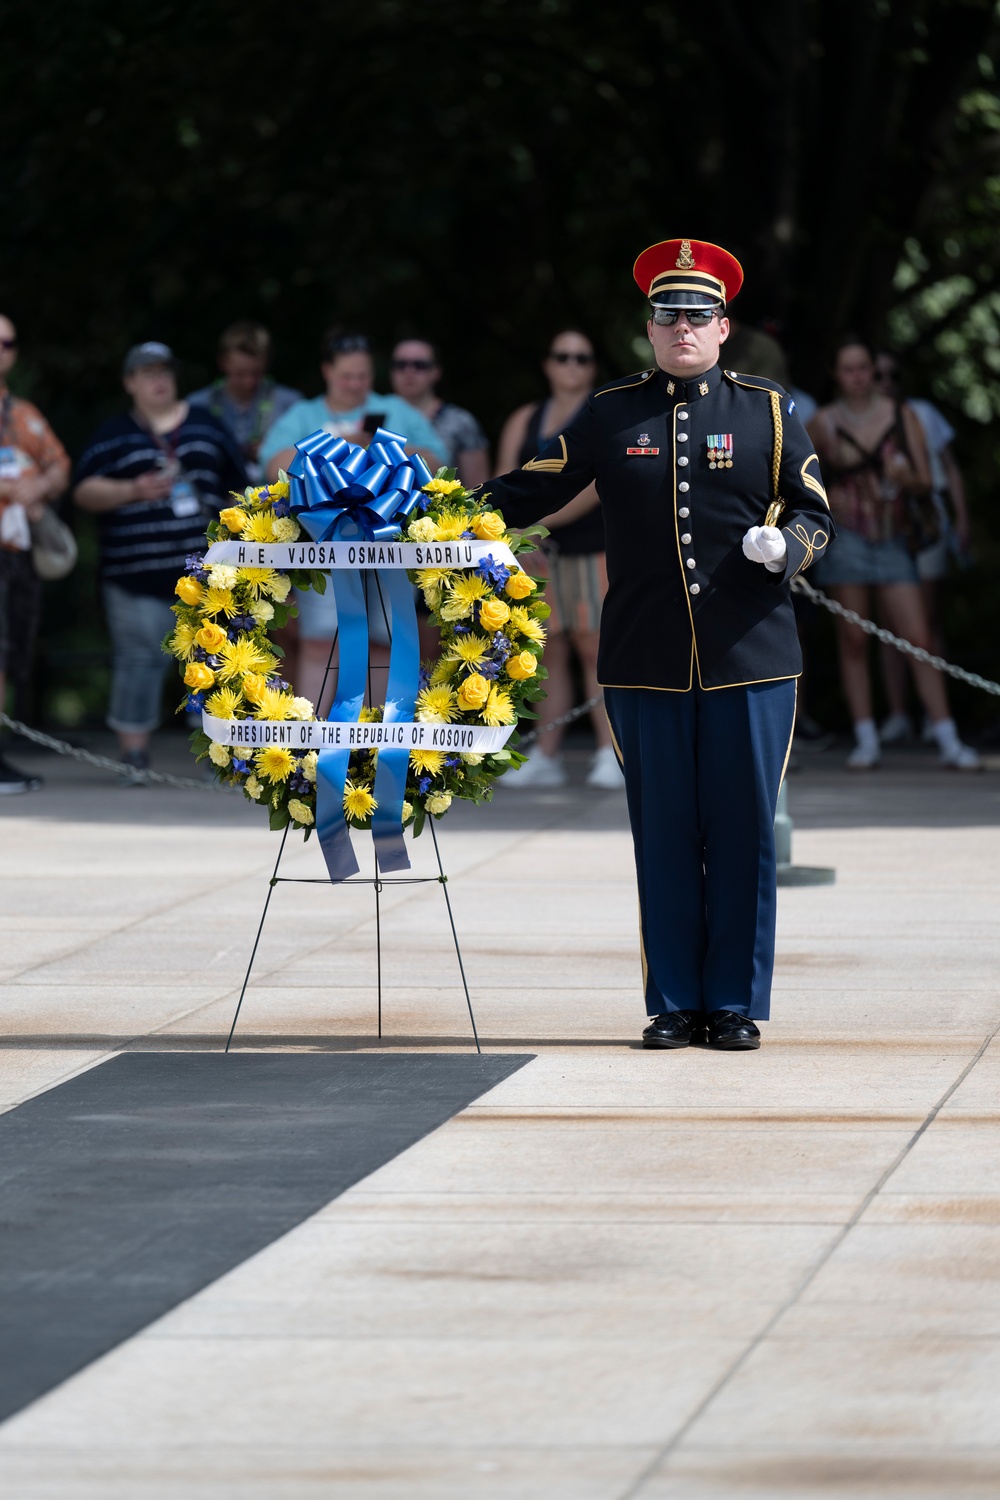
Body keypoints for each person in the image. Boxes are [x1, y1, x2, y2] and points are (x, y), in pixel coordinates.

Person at [484, 237, 834, 1052]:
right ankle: (675, 999)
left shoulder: (768, 410)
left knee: (744, 828)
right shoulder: (613, 411)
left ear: (723, 328)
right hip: (646, 659)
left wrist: (790, 548)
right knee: (664, 829)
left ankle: (736, 1002)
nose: (684, 327)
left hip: (752, 658)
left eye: (699, 315)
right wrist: (434, 512)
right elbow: (535, 484)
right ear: (649, 327)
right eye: (669, 314)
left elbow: (815, 509)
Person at [74, 342, 247, 777]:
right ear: (130, 382)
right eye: (147, 372)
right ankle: (134, 755)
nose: (159, 380)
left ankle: (217, 754)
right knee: (139, 659)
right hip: (133, 576)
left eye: (165, 371)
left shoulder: (208, 426)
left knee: (212, 661)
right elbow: (82, 491)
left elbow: (241, 488)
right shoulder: (112, 434)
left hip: (207, 576)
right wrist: (132, 490)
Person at [806, 339, 978, 770]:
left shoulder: (903, 416)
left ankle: (947, 737)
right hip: (846, 539)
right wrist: (828, 503)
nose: (859, 376)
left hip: (894, 537)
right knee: (853, 639)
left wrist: (905, 476)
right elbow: (801, 480)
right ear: (835, 374)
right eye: (849, 369)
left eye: (864, 367)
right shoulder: (822, 423)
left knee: (918, 637)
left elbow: (925, 479)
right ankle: (866, 738)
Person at [260, 331, 448, 714]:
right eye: (347, 376)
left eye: (362, 376)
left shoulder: (395, 410)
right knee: (319, 642)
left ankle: (376, 744)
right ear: (327, 371)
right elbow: (271, 464)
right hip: (325, 546)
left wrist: (388, 448)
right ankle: (311, 745)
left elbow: (437, 461)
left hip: (389, 543)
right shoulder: (304, 415)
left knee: (383, 643)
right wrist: (337, 443)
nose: (355, 384)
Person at [494, 329, 622, 791]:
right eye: (561, 355)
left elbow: (593, 487)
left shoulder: (604, 413)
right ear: (547, 363)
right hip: (535, 552)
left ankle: (611, 753)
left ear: (592, 366)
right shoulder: (525, 417)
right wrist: (516, 536)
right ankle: (546, 754)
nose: (571, 365)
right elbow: (506, 477)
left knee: (596, 647)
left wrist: (533, 527)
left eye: (582, 357)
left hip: (592, 546)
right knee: (546, 649)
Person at [873, 351, 971, 746]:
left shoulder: (922, 412)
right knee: (885, 625)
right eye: (878, 375)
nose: (885, 382)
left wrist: (962, 518)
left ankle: (935, 715)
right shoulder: (852, 417)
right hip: (881, 530)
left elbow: (948, 466)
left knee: (925, 622)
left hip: (924, 526)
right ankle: (898, 714)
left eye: (892, 375)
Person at [0, 312, 71, 793]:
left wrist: (37, 486)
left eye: (7, 342)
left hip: (15, 554)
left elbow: (60, 465)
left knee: (8, 655)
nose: (1, 350)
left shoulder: (22, 414)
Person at [188, 321, 302, 483]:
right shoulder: (196, 406)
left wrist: (273, 448)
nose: (249, 382)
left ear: (267, 362)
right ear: (223, 362)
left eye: (257, 373)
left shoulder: (291, 403)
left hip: (277, 499)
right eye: (240, 374)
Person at [389, 338, 490, 487]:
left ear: (436, 372)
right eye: (400, 365)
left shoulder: (460, 421)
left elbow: (479, 486)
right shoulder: (372, 414)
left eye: (420, 365)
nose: (409, 371)